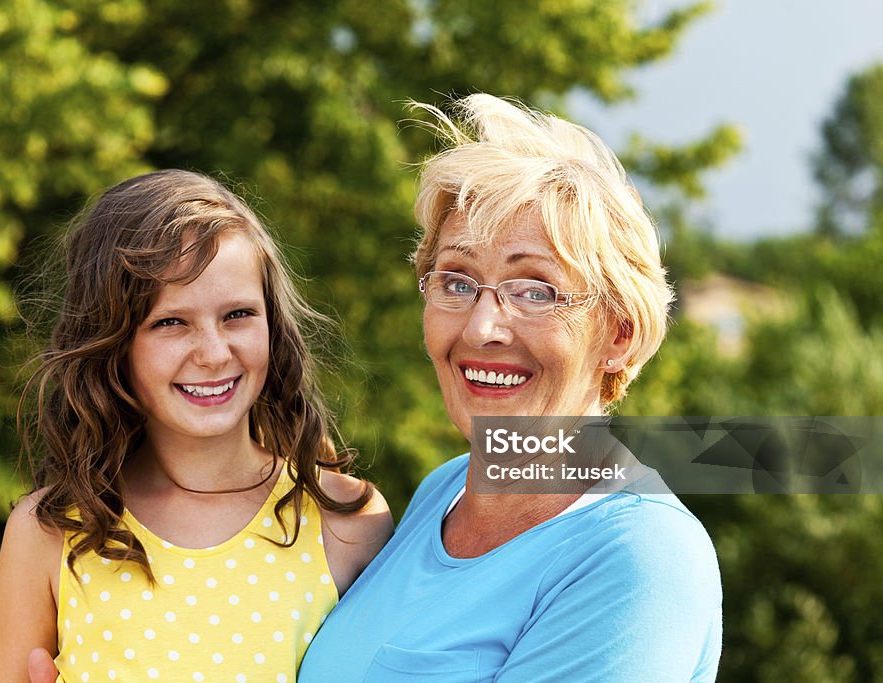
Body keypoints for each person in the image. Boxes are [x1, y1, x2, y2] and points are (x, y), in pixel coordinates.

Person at [298, 94, 722, 681]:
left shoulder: (639, 557)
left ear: (619, 335)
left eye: (535, 291)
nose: (481, 326)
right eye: (457, 281)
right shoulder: (442, 493)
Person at [0, 169, 392, 683]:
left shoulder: (347, 521)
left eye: (238, 314)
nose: (215, 353)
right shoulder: (50, 531)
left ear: (273, 324)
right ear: (113, 344)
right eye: (170, 322)